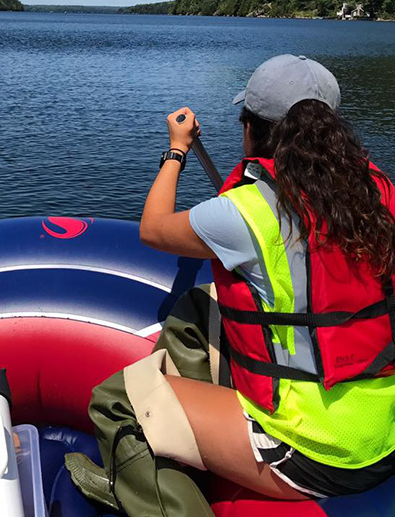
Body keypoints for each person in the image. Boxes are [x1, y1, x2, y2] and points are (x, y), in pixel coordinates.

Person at [136, 54, 395, 500]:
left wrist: (178, 147)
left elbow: (153, 228)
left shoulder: (245, 213)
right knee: (204, 307)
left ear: (250, 129)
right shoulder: (378, 190)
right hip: (384, 437)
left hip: (314, 454)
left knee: (122, 401)